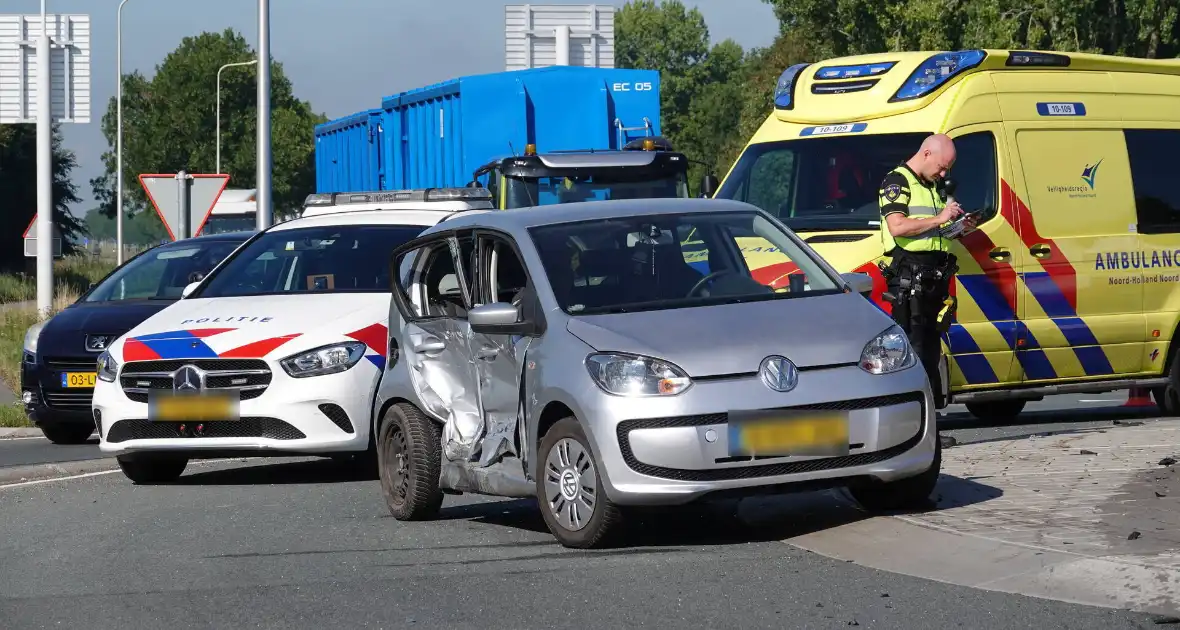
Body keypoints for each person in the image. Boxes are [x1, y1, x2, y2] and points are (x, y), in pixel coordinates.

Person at [878, 134, 976, 410]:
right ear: (926, 154)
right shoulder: (897, 181)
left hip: (933, 278)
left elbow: (933, 232)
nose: (944, 174)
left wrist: (957, 227)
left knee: (931, 351)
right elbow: (897, 227)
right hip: (910, 279)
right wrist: (940, 218)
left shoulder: (932, 186)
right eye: (942, 167)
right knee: (916, 349)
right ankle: (917, 423)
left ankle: (932, 424)